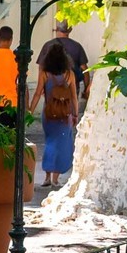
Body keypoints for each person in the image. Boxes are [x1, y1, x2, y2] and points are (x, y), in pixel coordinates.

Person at [36, 45, 78, 189]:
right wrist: (75, 114)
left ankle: (47, 177)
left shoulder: (44, 73)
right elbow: (74, 97)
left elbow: (37, 93)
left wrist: (29, 109)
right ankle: (55, 178)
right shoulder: (69, 75)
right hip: (65, 116)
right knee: (62, 145)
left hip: (48, 115)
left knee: (50, 143)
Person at [36, 17, 91, 112]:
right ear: (69, 30)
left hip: (50, 86)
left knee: (51, 112)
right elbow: (85, 69)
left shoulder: (48, 45)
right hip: (71, 87)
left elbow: (41, 68)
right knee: (69, 112)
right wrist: (86, 89)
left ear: (56, 29)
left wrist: (41, 86)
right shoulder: (77, 47)